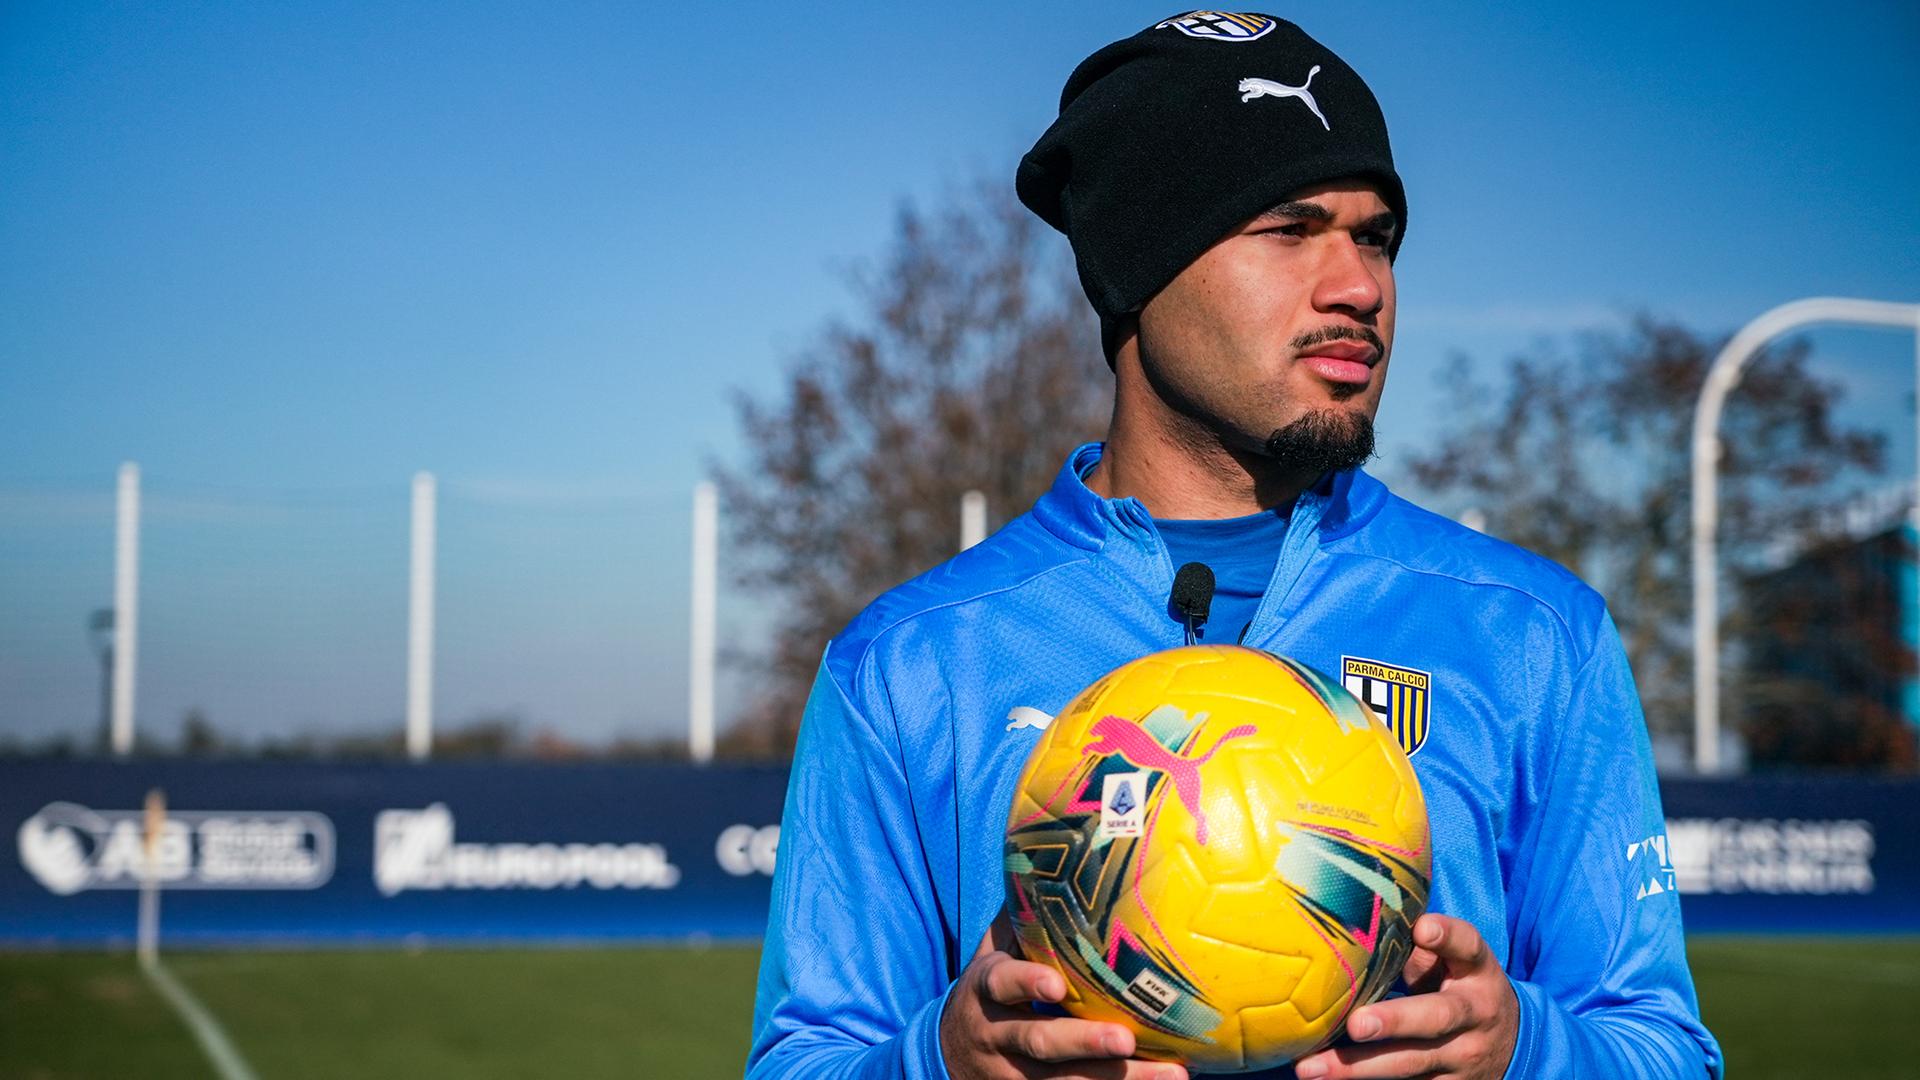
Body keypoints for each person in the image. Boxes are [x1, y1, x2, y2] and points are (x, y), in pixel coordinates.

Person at [747, 12, 1723, 1080]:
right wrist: (940, 1062)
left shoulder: (1535, 634)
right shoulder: (910, 665)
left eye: (1376, 236)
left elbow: (1660, 1046)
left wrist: (1527, 1047)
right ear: (1136, 271)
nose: (1359, 286)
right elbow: (807, 1059)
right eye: (1290, 228)